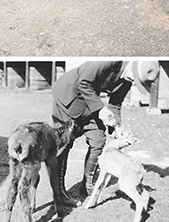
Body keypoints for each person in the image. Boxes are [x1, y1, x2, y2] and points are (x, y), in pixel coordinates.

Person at [52, 60, 160, 206]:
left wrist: (117, 127)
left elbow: (115, 104)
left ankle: (87, 184)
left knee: (98, 138)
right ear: (133, 68)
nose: (134, 83)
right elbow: (83, 82)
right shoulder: (108, 60)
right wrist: (100, 109)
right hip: (68, 98)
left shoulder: (127, 78)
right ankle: (60, 193)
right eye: (135, 79)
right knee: (64, 145)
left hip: (89, 105)